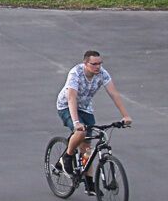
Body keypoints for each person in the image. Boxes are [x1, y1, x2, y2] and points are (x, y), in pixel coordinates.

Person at [54, 50, 133, 190]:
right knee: (80, 133)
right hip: (67, 106)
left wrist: (125, 116)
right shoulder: (75, 73)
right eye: (94, 64)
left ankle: (89, 181)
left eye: (100, 63)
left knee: (87, 147)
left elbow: (114, 94)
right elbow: (71, 97)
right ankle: (67, 156)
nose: (98, 67)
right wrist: (76, 123)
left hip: (85, 108)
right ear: (85, 63)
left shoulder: (102, 73)